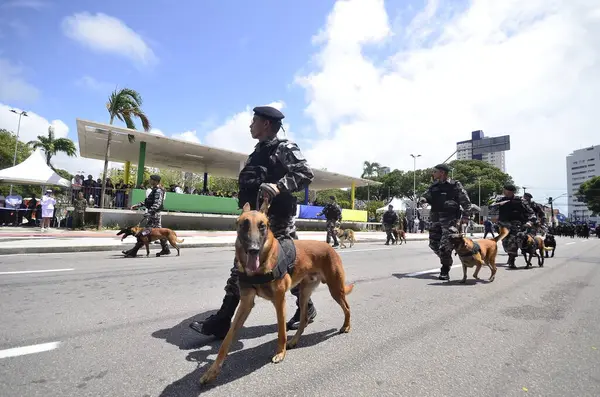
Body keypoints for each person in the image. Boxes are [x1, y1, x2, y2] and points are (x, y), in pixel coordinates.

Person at [189, 106, 315, 339]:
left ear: (266, 124)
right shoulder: (256, 153)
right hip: (254, 222)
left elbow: (305, 173)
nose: (250, 124)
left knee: (288, 267)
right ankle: (224, 318)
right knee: (242, 265)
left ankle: (305, 307)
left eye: (254, 120)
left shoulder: (284, 148)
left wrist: (279, 185)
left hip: (277, 221)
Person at [420, 164, 473, 281]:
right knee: (433, 244)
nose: (433, 174)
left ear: (442, 173)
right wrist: (423, 200)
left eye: (435, 171)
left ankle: (445, 268)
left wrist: (465, 216)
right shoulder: (433, 186)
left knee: (445, 245)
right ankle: (447, 259)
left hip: (450, 220)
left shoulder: (455, 185)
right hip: (435, 219)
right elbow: (425, 196)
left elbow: (466, 202)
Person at [123, 174, 169, 257]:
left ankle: (133, 251)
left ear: (155, 181)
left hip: (154, 215)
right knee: (160, 233)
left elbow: (157, 204)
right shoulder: (154, 190)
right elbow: (148, 201)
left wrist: (150, 212)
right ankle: (166, 249)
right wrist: (138, 205)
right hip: (154, 214)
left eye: (151, 179)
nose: (149, 181)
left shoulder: (158, 190)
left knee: (143, 233)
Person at [491, 185, 536, 268]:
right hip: (503, 226)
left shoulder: (521, 201)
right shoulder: (499, 200)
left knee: (513, 242)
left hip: (516, 226)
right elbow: (491, 211)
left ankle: (512, 259)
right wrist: (494, 217)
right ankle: (510, 255)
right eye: (504, 191)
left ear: (511, 192)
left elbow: (531, 213)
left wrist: (529, 223)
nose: (504, 192)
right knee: (505, 244)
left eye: (506, 191)